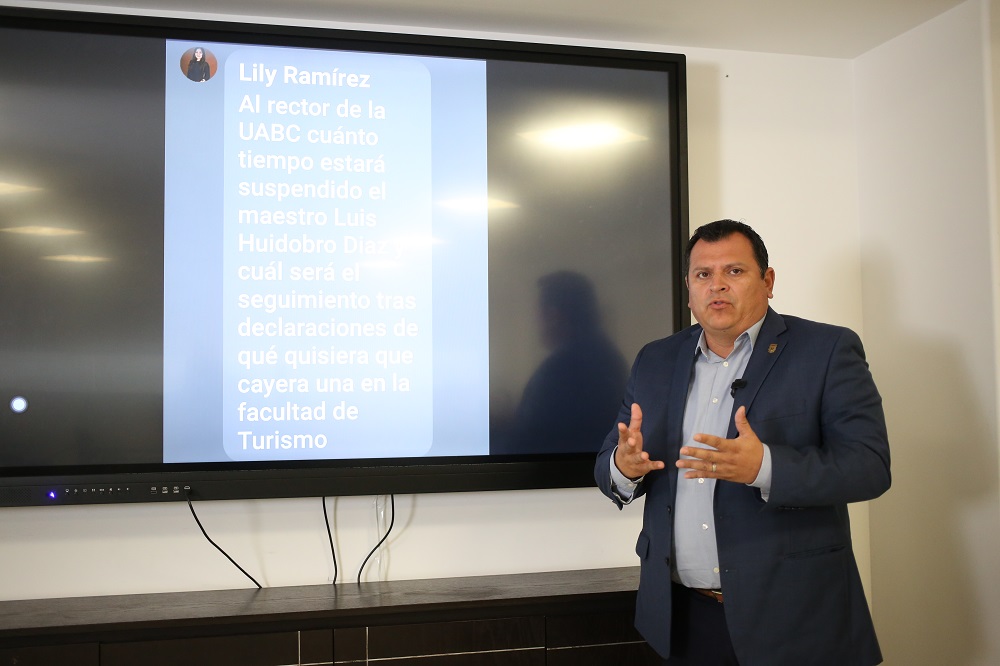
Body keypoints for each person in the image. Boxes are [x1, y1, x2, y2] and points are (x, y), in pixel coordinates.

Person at [594, 219, 891, 665]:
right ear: (689, 289)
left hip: (795, 619)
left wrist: (765, 467)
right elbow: (608, 464)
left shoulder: (827, 350)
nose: (717, 285)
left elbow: (869, 466)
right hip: (683, 617)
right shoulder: (655, 360)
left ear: (767, 281)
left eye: (734, 271)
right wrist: (624, 465)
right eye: (703, 274)